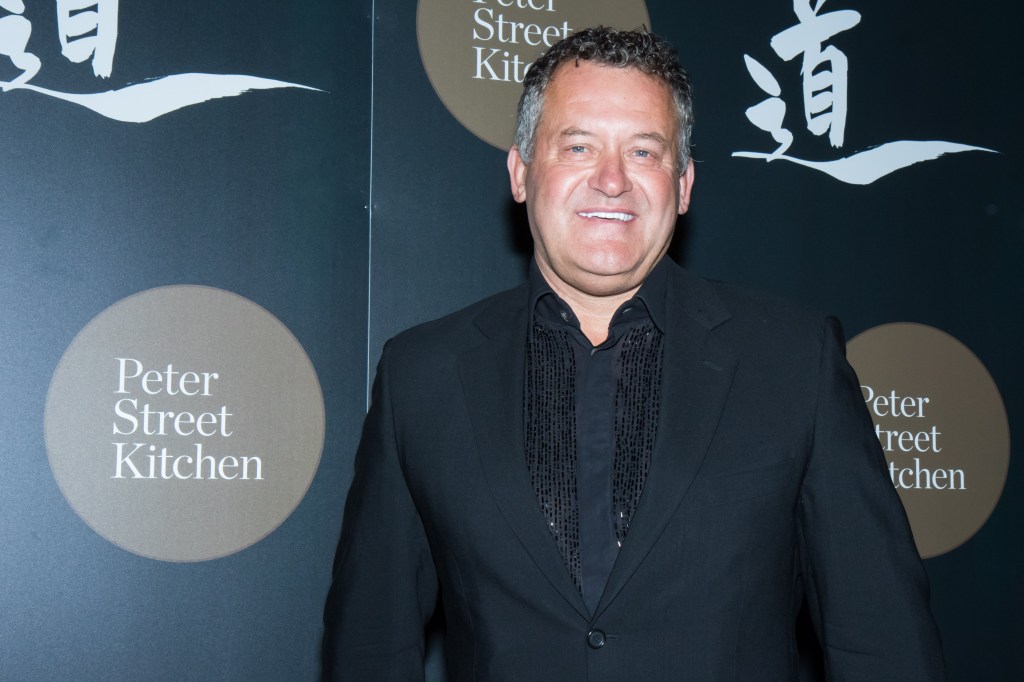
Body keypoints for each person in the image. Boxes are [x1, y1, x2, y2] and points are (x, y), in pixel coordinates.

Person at [322, 26, 945, 681]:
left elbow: (883, 643)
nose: (612, 180)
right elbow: (369, 649)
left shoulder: (793, 362)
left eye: (644, 151)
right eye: (578, 146)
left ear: (684, 184)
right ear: (521, 173)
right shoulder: (422, 377)